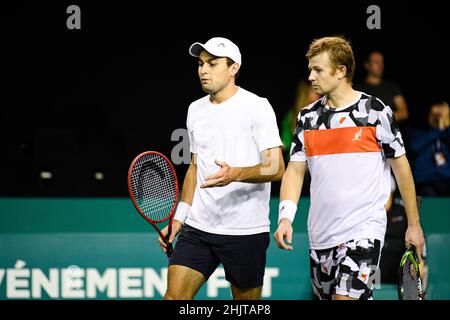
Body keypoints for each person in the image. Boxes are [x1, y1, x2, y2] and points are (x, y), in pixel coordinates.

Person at [274, 36, 425, 300]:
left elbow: (401, 168)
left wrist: (414, 224)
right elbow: (295, 171)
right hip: (320, 236)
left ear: (341, 70)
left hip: (364, 231)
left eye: (318, 69)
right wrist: (285, 216)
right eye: (310, 69)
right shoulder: (307, 118)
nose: (310, 76)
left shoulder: (376, 112)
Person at [158, 37, 285, 300]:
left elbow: (276, 167)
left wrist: (235, 174)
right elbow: (195, 167)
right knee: (173, 298)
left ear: (233, 68)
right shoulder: (195, 109)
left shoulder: (257, 107)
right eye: (201, 63)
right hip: (198, 228)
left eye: (212, 63)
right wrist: (179, 218)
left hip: (244, 231)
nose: (203, 70)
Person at [356, 51, 409, 123]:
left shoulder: (391, 87)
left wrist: (382, 119)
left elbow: (403, 113)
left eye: (381, 62)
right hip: (366, 131)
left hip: (389, 131)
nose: (380, 65)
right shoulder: (358, 89)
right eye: (376, 62)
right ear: (367, 65)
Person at [410, 101, 450, 196]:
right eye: (435, 114)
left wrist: (446, 124)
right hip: (426, 180)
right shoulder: (420, 131)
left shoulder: (447, 134)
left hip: (446, 178)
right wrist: (438, 130)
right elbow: (415, 147)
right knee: (428, 194)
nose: (438, 116)